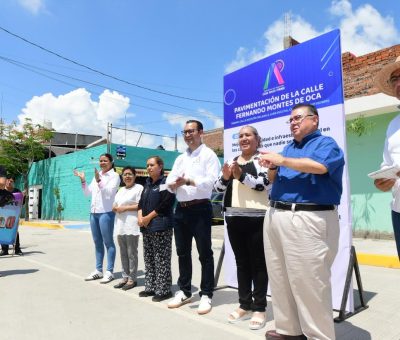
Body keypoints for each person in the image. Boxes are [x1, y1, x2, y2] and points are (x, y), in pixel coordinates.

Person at [260, 103, 345, 340]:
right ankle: (289, 331)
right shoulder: (289, 147)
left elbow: (319, 167)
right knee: (280, 278)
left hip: (307, 217)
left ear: (314, 120)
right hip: (277, 214)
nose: (293, 123)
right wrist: (273, 166)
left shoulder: (326, 144)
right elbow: (274, 179)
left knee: (309, 284)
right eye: (290, 120)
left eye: (298, 118)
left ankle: (319, 336)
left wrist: (282, 160)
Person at [214, 125, 270, 330]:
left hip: (258, 218)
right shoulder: (231, 161)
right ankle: (244, 304)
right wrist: (227, 176)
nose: (244, 138)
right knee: (241, 263)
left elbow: (263, 184)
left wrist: (240, 175)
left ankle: (260, 307)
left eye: (248, 135)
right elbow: (217, 188)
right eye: (240, 136)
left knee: (258, 264)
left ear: (257, 138)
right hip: (234, 217)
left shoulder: (263, 159)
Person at [166, 120, 220, 315]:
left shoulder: (209, 155)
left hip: (200, 209)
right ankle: (185, 290)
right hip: (180, 209)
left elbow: (211, 183)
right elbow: (169, 180)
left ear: (201, 132)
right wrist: (173, 184)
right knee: (182, 252)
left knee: (204, 253)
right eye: (185, 132)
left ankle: (206, 294)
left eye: (191, 131)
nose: (188, 135)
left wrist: (188, 180)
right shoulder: (180, 158)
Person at [74, 153, 120, 283]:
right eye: (100, 161)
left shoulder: (114, 176)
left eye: (105, 160)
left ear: (111, 162)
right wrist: (83, 180)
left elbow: (109, 193)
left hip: (106, 212)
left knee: (108, 242)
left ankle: (109, 271)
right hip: (93, 213)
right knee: (97, 243)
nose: (102, 163)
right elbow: (87, 193)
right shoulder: (97, 175)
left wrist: (99, 180)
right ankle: (98, 270)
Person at [138, 156, 175, 302]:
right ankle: (151, 287)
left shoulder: (166, 182)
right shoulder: (147, 184)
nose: (149, 168)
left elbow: (166, 204)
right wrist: (141, 217)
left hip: (161, 226)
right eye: (147, 165)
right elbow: (140, 203)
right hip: (147, 227)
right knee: (149, 258)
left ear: (160, 166)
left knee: (161, 259)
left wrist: (148, 218)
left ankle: (164, 290)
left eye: (152, 165)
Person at [373, 56, 400, 259]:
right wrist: (384, 180)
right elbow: (387, 164)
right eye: (394, 79)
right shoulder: (393, 125)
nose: (398, 83)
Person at [112, 166, 143, 291]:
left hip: (131, 225)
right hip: (120, 225)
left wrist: (125, 208)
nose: (127, 176)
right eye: (125, 174)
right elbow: (115, 203)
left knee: (131, 253)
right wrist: (114, 207)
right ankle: (124, 277)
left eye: (130, 174)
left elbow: (141, 204)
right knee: (123, 253)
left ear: (135, 176)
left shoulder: (139, 188)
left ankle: (132, 279)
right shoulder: (120, 190)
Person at [1, 176, 23, 256]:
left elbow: (21, 202)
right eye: (8, 181)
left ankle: (17, 249)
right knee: (3, 231)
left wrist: (24, 196)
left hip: (13, 215)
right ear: (5, 182)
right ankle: (4, 250)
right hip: (3, 215)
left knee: (14, 231)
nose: (9, 182)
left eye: (11, 181)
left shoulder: (17, 191)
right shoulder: (2, 191)